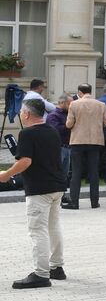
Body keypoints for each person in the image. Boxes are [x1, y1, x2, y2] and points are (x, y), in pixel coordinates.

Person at [2, 98, 68, 289]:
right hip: (56, 186)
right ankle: (57, 267)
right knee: (53, 227)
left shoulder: (27, 133)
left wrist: (6, 175)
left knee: (37, 230)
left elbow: (26, 161)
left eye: (22, 111)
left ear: (27, 114)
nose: (21, 114)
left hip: (39, 189)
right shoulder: (52, 130)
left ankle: (41, 273)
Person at [64, 83, 106, 210]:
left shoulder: (74, 104)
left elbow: (68, 124)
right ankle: (94, 202)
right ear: (90, 91)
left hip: (77, 140)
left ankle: (74, 202)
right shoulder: (101, 105)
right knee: (94, 172)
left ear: (79, 92)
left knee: (76, 172)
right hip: (95, 140)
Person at [44, 94, 71, 184]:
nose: (71, 106)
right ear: (62, 103)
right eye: (69, 103)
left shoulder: (69, 114)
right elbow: (56, 130)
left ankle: (61, 195)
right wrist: (69, 125)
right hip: (58, 147)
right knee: (56, 171)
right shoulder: (53, 115)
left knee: (64, 173)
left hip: (67, 147)